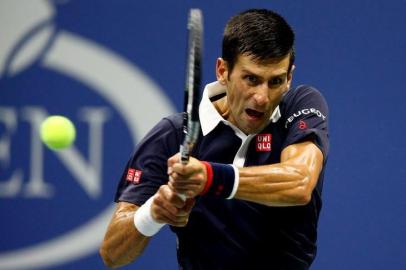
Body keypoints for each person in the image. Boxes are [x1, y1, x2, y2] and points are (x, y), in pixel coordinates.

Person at [100, 8, 329, 270]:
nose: (262, 97)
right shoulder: (173, 134)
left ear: (289, 78)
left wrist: (208, 178)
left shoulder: (300, 106)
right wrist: (152, 212)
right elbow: (112, 254)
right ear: (223, 71)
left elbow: (299, 183)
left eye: (275, 81)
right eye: (251, 79)